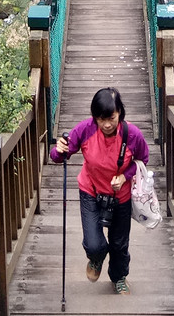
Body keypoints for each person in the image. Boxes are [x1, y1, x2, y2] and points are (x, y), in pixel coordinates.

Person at [51, 86, 149, 294]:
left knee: (119, 243)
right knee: (94, 244)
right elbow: (59, 156)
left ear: (120, 113)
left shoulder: (132, 135)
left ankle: (119, 277)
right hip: (91, 191)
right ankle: (96, 258)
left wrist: (124, 177)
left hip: (120, 196)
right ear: (94, 117)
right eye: (100, 118)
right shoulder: (86, 129)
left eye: (111, 118)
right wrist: (58, 149)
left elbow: (143, 160)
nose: (106, 124)